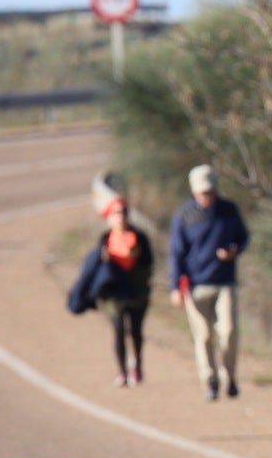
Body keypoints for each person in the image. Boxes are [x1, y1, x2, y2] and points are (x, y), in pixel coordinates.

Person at [167, 164, 250, 400]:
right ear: (194, 192)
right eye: (203, 192)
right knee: (203, 336)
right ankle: (210, 381)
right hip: (195, 286)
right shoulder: (184, 217)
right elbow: (176, 253)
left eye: (210, 191)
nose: (207, 196)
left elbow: (243, 238)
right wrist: (175, 287)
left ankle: (230, 376)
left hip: (225, 282)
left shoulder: (229, 211)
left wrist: (234, 250)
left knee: (229, 331)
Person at [68, 174, 154, 387]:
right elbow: (94, 265)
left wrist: (137, 256)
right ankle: (122, 371)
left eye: (124, 213)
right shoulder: (105, 239)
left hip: (137, 292)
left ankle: (138, 366)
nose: (121, 217)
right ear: (110, 216)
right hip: (114, 293)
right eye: (116, 213)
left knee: (135, 331)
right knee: (118, 330)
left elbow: (149, 262)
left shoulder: (139, 237)